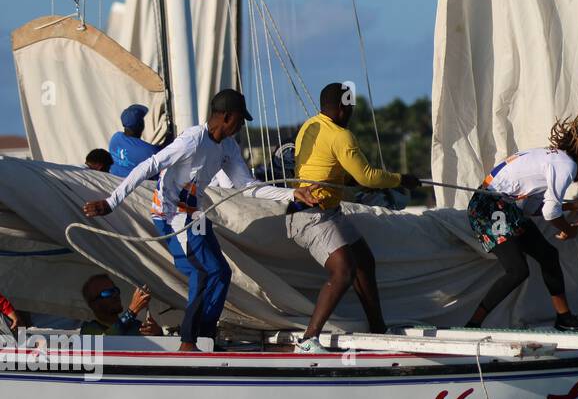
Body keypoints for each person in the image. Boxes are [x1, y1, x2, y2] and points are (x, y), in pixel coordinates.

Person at [82, 89, 317, 351]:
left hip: (193, 215)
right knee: (203, 272)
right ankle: (188, 342)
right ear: (226, 117)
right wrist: (111, 202)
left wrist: (291, 193)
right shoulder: (192, 139)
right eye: (240, 120)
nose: (241, 126)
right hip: (170, 215)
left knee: (221, 273)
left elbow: (247, 186)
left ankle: (205, 338)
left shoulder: (228, 147)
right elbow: (148, 166)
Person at [290, 83, 422, 352]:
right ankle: (308, 340)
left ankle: (378, 328)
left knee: (364, 261)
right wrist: (401, 179)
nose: (351, 112)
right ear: (341, 108)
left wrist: (346, 180)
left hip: (327, 212)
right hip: (312, 216)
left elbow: (330, 167)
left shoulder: (310, 125)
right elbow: (368, 177)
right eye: (349, 108)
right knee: (344, 270)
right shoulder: (342, 135)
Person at [464, 116, 578, 332]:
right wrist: (569, 229)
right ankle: (472, 324)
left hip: (504, 206)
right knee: (517, 270)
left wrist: (572, 207)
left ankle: (565, 319)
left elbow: (533, 209)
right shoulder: (566, 165)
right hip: (489, 206)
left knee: (548, 255)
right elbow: (549, 212)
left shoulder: (553, 159)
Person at [78, 274, 162, 336]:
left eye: (115, 290)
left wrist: (158, 334)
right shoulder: (88, 330)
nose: (115, 295)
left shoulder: (137, 326)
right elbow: (105, 343)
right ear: (93, 304)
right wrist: (131, 312)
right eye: (107, 293)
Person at [108, 104, 163, 177]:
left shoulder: (115, 138)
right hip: (139, 187)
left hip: (114, 182)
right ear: (142, 125)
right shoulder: (150, 151)